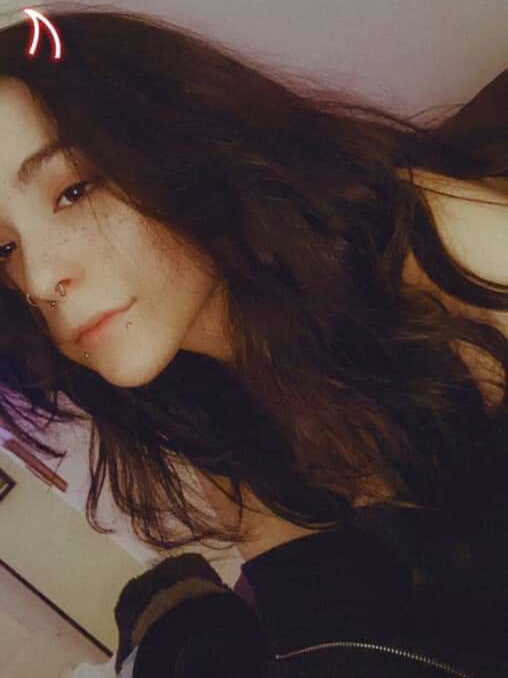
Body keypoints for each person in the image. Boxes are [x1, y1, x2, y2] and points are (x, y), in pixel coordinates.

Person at [0, 4, 507, 676]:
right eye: (3, 248)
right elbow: (324, 627)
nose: (38, 280)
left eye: (74, 190)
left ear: (176, 144)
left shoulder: (434, 248)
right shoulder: (202, 401)